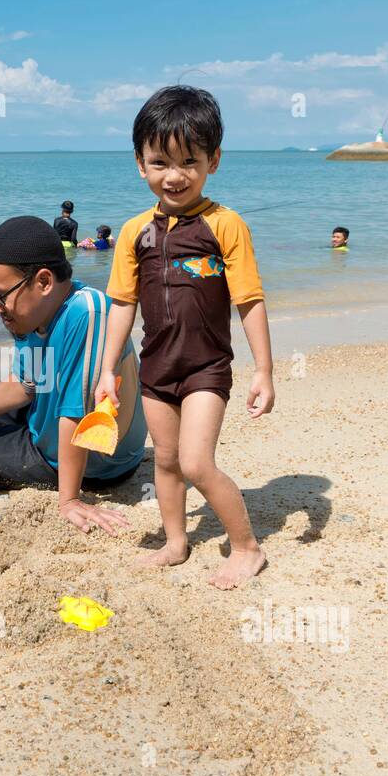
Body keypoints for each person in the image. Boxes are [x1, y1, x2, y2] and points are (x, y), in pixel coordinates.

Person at [96, 85, 275, 589]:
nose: (174, 176)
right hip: (156, 367)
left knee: (197, 462)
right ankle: (176, 542)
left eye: (189, 162)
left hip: (205, 367)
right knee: (168, 461)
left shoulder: (225, 225)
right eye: (160, 163)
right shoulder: (134, 233)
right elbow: (122, 305)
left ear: (213, 161)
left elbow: (249, 300)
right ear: (140, 164)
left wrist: (263, 370)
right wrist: (109, 370)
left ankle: (246, 546)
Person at [0, 215, 147, 534]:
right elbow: (27, 384)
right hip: (45, 421)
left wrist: (69, 501)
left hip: (93, 462)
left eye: (0, 295)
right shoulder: (32, 314)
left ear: (44, 282)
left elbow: (75, 413)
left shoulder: (88, 312)